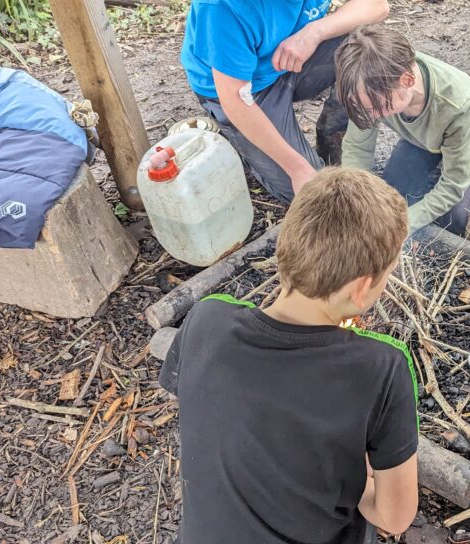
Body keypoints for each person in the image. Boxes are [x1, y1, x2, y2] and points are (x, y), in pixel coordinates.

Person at [159, 168, 419, 543]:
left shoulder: (206, 317)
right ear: (362, 289)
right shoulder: (381, 369)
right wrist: (360, 478)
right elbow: (394, 518)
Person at [180, 0, 389, 202]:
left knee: (368, 49)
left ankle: (333, 138)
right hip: (245, 88)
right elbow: (235, 98)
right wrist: (297, 168)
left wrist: (313, 33)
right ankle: (240, 136)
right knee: (312, 194)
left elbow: (377, 2)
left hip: (294, 55)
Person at [335, 25, 470, 235]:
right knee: (394, 196)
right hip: (422, 138)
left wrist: (402, 226)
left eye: (376, 107)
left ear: (407, 80)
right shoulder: (372, 82)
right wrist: (354, 196)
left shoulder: (456, 105)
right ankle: (440, 161)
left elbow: (454, 184)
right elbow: (357, 146)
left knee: (458, 219)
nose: (371, 115)